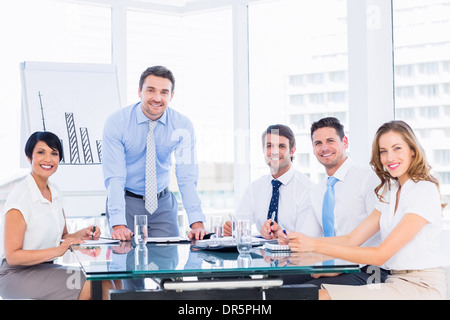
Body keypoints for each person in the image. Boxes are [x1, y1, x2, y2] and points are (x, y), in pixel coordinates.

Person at [286, 120, 448, 299]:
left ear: (412, 150)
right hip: (395, 280)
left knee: (318, 296)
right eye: (383, 151)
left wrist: (314, 245)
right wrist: (302, 241)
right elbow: (351, 239)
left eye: (397, 148)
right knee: (309, 292)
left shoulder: (423, 189)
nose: (390, 158)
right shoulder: (389, 192)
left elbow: (380, 255)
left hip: (422, 285)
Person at [0, 131, 117, 300]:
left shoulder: (54, 191)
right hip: (15, 275)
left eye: (54, 153)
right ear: (29, 157)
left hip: (44, 269)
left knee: (108, 281)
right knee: (91, 285)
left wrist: (80, 235)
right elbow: (13, 256)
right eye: (41, 152)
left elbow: (63, 237)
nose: (48, 159)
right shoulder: (20, 198)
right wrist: (57, 251)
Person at [276, 117, 389, 286]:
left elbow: (377, 236)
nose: (324, 148)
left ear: (345, 142)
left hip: (370, 269)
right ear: (313, 149)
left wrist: (339, 267)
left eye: (330, 141)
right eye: (318, 143)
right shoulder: (318, 190)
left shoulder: (369, 178)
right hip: (330, 266)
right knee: (274, 283)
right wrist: (287, 237)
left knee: (304, 292)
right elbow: (309, 237)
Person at [102, 66, 206, 241]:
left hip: (163, 203)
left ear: (171, 96)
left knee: (167, 263)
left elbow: (186, 177)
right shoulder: (117, 123)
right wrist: (118, 223)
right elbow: (115, 177)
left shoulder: (182, 126)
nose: (157, 98)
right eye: (151, 90)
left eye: (164, 92)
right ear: (139, 92)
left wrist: (197, 221)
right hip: (127, 202)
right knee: (125, 263)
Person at [223, 124, 317, 238]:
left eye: (281, 146)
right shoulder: (254, 188)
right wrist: (232, 229)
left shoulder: (308, 189)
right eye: (269, 146)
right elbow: (240, 225)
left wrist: (280, 234)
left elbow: (308, 237)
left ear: (292, 151)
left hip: (295, 254)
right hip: (261, 254)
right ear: (263, 150)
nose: (274, 152)